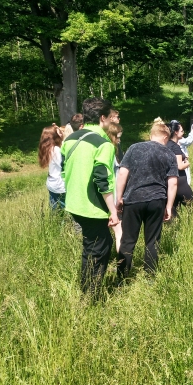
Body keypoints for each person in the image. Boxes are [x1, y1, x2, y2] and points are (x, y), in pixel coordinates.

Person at [62, 97, 119, 295]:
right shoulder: (103, 144)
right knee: (99, 249)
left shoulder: (70, 139)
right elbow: (103, 180)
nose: (112, 121)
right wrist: (113, 211)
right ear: (103, 118)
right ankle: (90, 295)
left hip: (73, 203)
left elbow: (64, 170)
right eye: (110, 117)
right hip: (92, 207)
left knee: (94, 245)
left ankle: (87, 289)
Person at [115, 122, 178, 279]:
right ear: (166, 137)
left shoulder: (134, 148)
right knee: (152, 241)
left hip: (133, 199)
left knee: (127, 240)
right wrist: (169, 206)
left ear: (151, 135)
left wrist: (119, 198)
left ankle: (122, 277)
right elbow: (173, 183)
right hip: (157, 200)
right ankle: (150, 277)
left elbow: (122, 173)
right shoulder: (169, 154)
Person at [168, 120, 193, 212]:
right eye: (182, 131)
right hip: (180, 181)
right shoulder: (175, 146)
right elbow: (179, 166)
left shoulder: (166, 144)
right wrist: (187, 163)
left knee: (173, 208)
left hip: (169, 181)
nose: (183, 133)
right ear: (176, 132)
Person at [38, 124, 66, 210]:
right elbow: (64, 164)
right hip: (60, 185)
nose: (61, 133)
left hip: (51, 183)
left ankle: (54, 219)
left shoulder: (47, 149)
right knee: (66, 209)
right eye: (59, 132)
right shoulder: (57, 150)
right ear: (54, 136)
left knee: (54, 210)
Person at [107, 122, 124, 252]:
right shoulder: (109, 152)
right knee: (120, 234)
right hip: (112, 197)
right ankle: (122, 261)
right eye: (117, 137)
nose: (119, 140)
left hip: (109, 197)